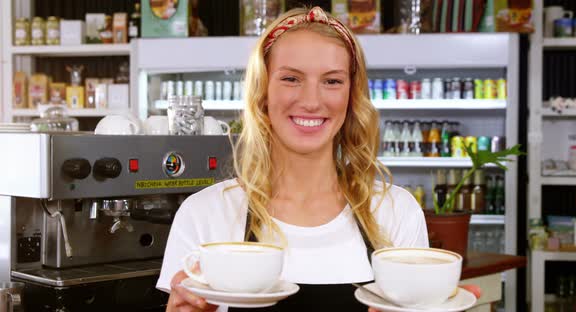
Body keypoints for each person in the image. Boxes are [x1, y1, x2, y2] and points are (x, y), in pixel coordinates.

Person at [157, 6, 478, 312]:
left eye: (332, 81)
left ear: (352, 96)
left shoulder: (395, 212)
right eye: (291, 78)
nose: (311, 101)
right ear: (263, 91)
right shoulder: (205, 213)